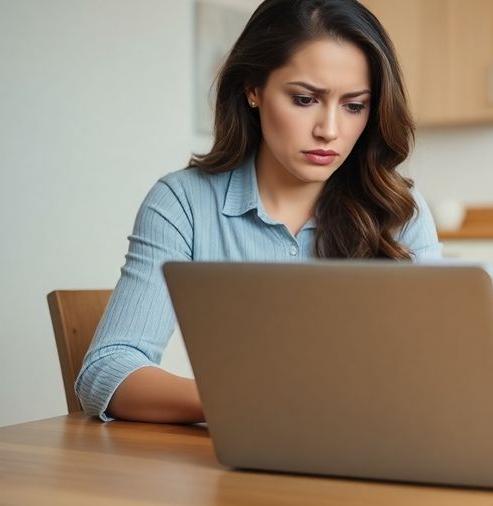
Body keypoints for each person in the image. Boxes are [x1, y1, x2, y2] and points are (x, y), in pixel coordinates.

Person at [76, 0, 441, 423]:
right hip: (238, 468)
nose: (330, 130)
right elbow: (107, 370)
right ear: (253, 89)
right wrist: (247, 401)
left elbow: (438, 371)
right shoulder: (183, 203)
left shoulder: (400, 213)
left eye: (354, 105)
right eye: (305, 99)